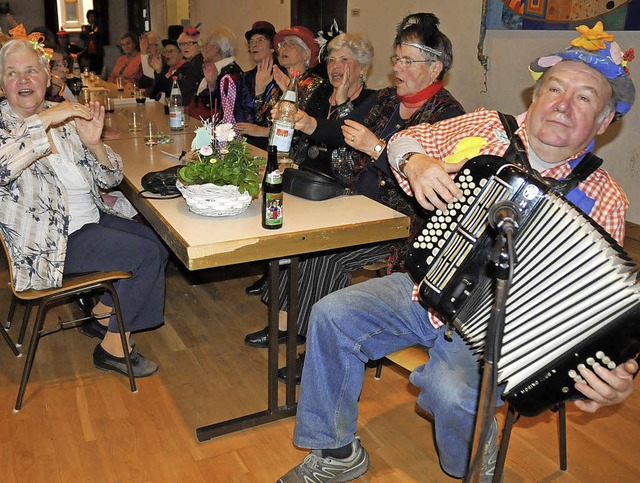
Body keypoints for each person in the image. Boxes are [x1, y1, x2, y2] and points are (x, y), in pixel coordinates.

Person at [277, 23, 639, 483]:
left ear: (605, 121)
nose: (563, 105)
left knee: (449, 389)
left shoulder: (604, 196)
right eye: (555, 88)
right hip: (424, 289)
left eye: (585, 98)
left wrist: (613, 374)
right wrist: (415, 160)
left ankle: (472, 465)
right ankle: (337, 451)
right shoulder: (489, 127)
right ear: (536, 94)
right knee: (332, 314)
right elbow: (405, 141)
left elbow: (599, 313)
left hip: (498, 334)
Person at [245, 14, 464, 385]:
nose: (396, 68)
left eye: (407, 61)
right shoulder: (386, 101)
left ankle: (317, 351)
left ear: (435, 67)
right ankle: (294, 326)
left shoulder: (446, 114)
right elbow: (339, 131)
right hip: (356, 201)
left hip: (405, 224)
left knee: (325, 250)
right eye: (396, 59)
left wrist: (376, 148)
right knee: (307, 233)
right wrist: (309, 123)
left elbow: (428, 190)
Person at [0, 39, 168, 377]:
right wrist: (45, 119)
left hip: (89, 221)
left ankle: (103, 314)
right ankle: (113, 349)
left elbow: (110, 177)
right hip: (50, 242)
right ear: (2, 84)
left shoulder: (62, 118)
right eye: (12, 73)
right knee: (145, 255)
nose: (23, 80)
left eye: (30, 71)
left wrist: (95, 146)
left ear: (46, 78)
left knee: (160, 242)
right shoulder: (15, 124)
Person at [234, 20, 279, 149]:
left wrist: (260, 91)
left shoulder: (281, 75)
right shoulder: (245, 77)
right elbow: (239, 114)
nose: (254, 45)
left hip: (272, 144)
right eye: (251, 42)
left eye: (260, 40)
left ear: (272, 47)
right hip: (247, 142)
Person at [188, 26, 243, 121]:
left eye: (207, 44)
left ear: (217, 47)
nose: (204, 48)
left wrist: (212, 84)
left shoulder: (230, 73)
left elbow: (222, 106)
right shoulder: (212, 67)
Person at [176, 26, 204, 106]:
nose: (185, 47)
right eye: (182, 44)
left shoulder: (201, 66)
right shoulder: (184, 66)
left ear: (199, 46)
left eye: (190, 43)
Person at [79, 9, 104, 74]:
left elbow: (97, 35)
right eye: (90, 16)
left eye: (93, 16)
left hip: (97, 53)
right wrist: (90, 33)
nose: (92, 18)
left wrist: (91, 33)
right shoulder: (85, 27)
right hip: (87, 52)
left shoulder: (99, 27)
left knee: (97, 70)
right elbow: (82, 36)